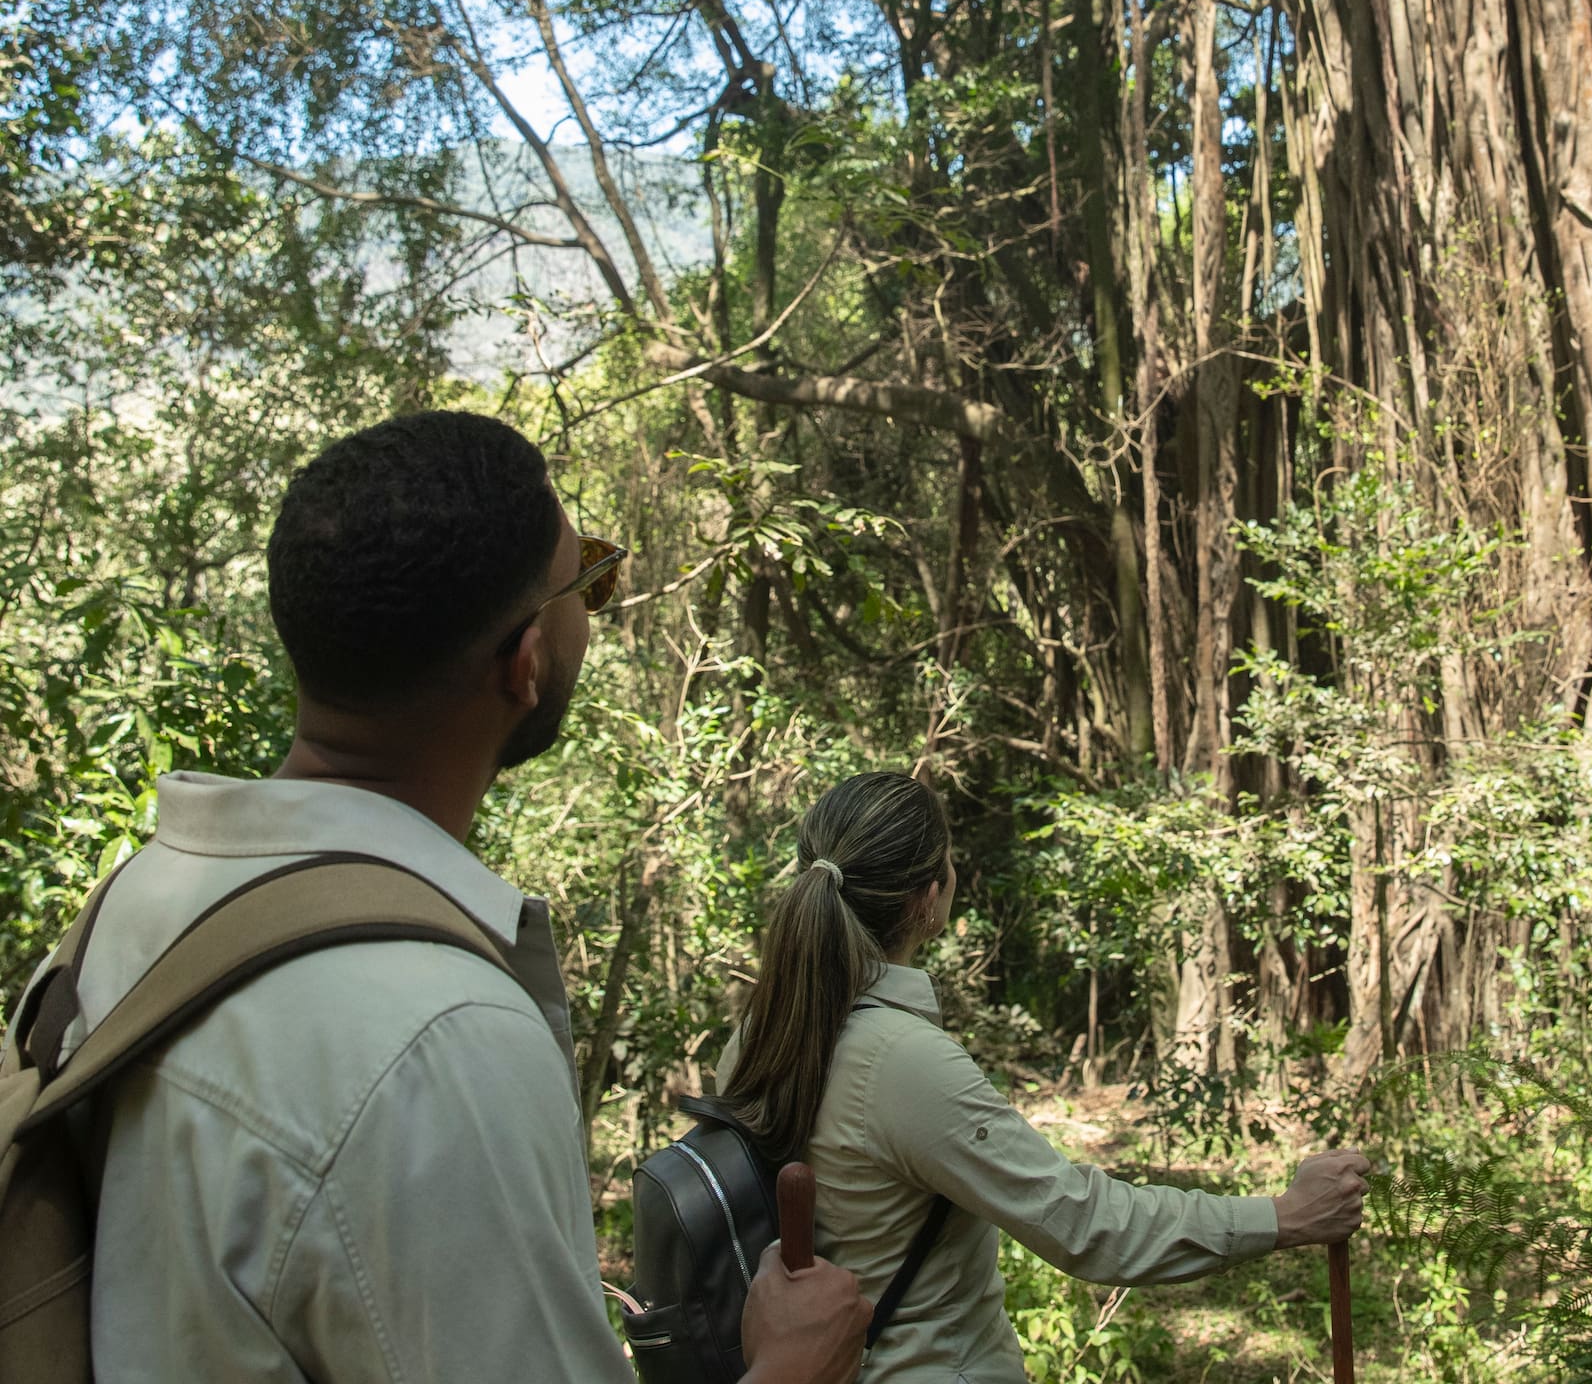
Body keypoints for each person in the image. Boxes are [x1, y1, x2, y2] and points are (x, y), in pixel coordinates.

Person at [5, 411, 869, 1384]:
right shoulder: (441, 1041)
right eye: (588, 576)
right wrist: (790, 1367)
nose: (595, 599)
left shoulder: (129, 905)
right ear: (525, 659)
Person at [716, 771, 1372, 1384]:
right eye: (948, 862)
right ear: (926, 899)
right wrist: (1285, 1216)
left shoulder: (759, 1033)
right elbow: (1084, 1225)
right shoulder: (899, 1060)